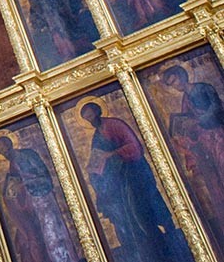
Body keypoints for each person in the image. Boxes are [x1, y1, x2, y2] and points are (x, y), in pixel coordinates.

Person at [80, 102, 192, 260]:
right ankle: (151, 252)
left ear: (97, 112)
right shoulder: (97, 136)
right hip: (121, 182)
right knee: (133, 219)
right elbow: (98, 158)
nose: (90, 120)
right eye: (87, 119)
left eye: (90, 116)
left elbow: (135, 148)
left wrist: (111, 155)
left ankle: (172, 250)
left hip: (136, 175)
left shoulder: (114, 125)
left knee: (148, 211)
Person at [0, 135, 80, 262]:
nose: (4, 152)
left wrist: (23, 184)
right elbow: (12, 189)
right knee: (37, 240)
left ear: (9, 144)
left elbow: (44, 178)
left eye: (3, 148)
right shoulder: (12, 167)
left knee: (53, 236)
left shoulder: (27, 155)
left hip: (43, 200)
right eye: (0, 151)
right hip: (31, 207)